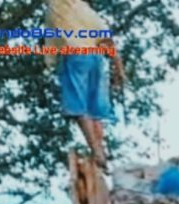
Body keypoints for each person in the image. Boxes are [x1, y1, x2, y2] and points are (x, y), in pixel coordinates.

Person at [46, 0, 125, 170]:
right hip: (96, 59)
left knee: (78, 107)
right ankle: (101, 151)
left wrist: (50, 61)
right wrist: (119, 69)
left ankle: (96, 151)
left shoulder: (57, 7)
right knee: (95, 110)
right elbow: (107, 40)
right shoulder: (87, 11)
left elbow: (52, 39)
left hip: (76, 57)